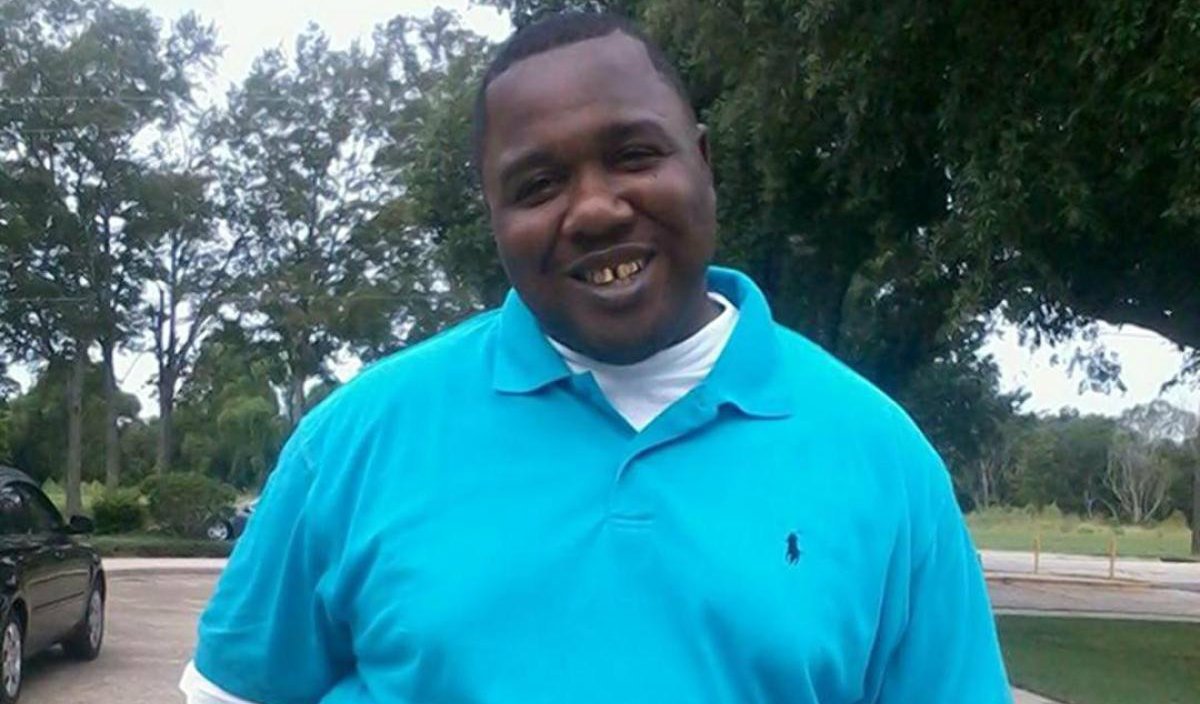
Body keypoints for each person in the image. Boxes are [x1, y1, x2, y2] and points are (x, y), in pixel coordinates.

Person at [181, 11, 1011, 704]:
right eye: (538, 186)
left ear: (703, 164)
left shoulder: (882, 458)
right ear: (494, 216)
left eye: (634, 156)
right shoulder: (354, 443)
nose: (595, 210)